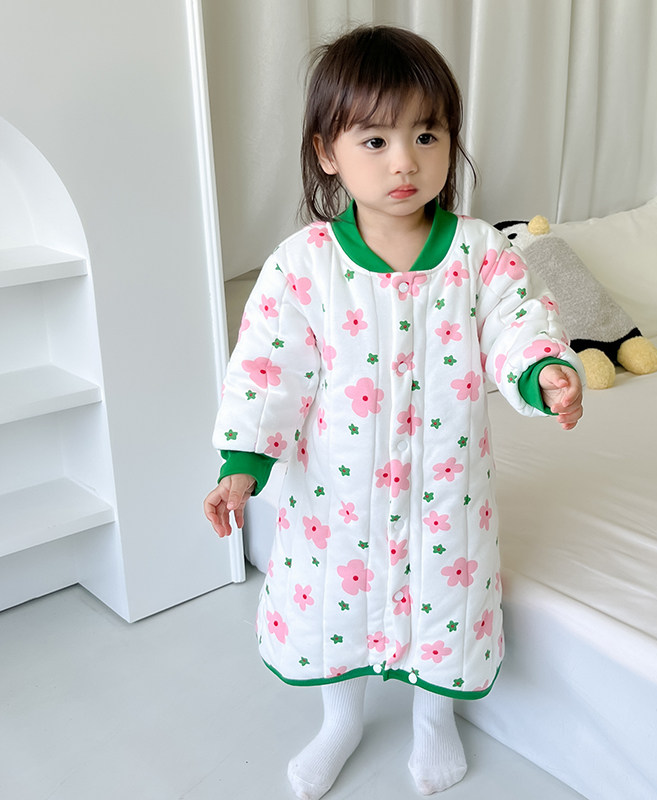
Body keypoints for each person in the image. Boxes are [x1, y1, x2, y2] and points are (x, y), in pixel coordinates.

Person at [204, 24, 583, 800]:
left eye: (426, 135)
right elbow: (268, 370)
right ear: (326, 152)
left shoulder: (479, 252)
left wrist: (542, 369)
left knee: (447, 604)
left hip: (446, 494)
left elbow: (517, 320)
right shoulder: (304, 264)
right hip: (335, 496)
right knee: (334, 609)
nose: (404, 161)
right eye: (375, 140)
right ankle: (339, 722)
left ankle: (434, 722)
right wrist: (242, 464)